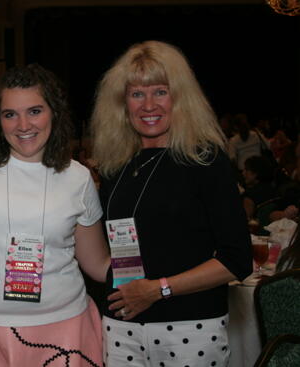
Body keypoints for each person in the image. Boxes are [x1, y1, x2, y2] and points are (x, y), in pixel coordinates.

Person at [91, 41, 252, 367]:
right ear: (123, 103)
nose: (149, 105)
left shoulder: (204, 160)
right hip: (121, 326)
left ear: (179, 97)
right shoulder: (116, 166)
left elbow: (237, 260)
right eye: (137, 94)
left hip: (190, 328)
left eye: (160, 92)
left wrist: (158, 290)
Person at [0, 64, 109, 367]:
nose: (23, 125)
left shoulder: (78, 177)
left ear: (54, 113)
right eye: (10, 114)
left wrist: (160, 275)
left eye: (35, 111)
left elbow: (97, 263)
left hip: (63, 329)